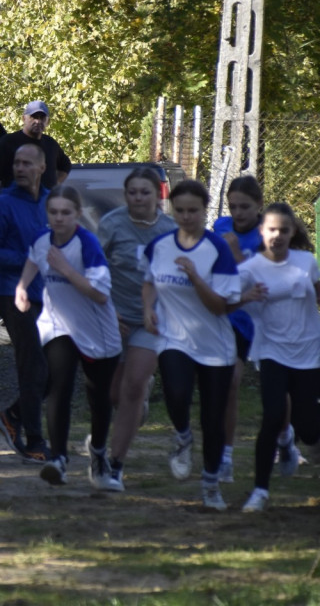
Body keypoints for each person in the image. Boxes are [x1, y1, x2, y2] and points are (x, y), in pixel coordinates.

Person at [142, 180, 240, 510]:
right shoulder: (159, 246)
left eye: (193, 211)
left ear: (204, 211)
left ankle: (211, 484)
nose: (185, 217)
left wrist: (196, 276)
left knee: (212, 421)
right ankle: (182, 436)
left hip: (214, 345)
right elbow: (149, 282)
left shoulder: (217, 249)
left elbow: (220, 306)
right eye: (179, 210)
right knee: (176, 394)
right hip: (174, 338)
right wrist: (147, 309)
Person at [15, 186, 122, 489]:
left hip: (96, 330)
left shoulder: (86, 244)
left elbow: (100, 295)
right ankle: (58, 459)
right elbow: (33, 260)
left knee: (98, 399)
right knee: (59, 386)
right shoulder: (41, 239)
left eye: (66, 213)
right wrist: (23, 286)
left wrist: (65, 269)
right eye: (54, 212)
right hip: (58, 324)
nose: (59, 218)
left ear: (77, 215)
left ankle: (99, 455)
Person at [236, 203, 320, 512]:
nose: (278, 235)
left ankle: (294, 440)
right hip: (272, 350)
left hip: (308, 352)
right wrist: (246, 297)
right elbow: (225, 299)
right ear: (262, 231)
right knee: (272, 416)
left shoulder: (306, 262)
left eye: (284, 230)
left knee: (309, 428)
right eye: (272, 229)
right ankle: (260, 490)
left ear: (293, 232)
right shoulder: (251, 268)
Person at [99, 167, 177, 491]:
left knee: (132, 387)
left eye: (145, 192)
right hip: (114, 316)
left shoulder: (170, 230)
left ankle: (116, 464)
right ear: (125, 194)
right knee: (115, 394)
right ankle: (136, 405)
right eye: (132, 192)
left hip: (151, 319)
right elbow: (96, 269)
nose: (138, 198)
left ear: (157, 194)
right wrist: (108, 310)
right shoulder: (111, 224)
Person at [0, 143, 51, 463]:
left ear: (41, 167)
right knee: (32, 365)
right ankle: (35, 440)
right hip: (13, 294)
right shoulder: (3, 205)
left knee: (53, 367)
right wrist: (29, 258)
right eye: (16, 163)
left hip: (50, 295)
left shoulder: (52, 202)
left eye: (27, 164)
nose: (20, 168)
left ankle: (12, 415)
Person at [213, 175, 263, 483]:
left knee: (277, 390)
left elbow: (261, 280)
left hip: (263, 320)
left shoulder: (268, 234)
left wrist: (236, 256)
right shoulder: (220, 228)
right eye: (233, 207)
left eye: (245, 207)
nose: (238, 213)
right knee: (229, 384)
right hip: (231, 319)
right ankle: (225, 458)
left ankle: (285, 437)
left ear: (258, 205)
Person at [0, 100, 71, 210]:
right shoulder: (8, 142)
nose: (38, 121)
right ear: (24, 118)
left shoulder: (50, 144)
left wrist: (54, 184)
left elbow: (65, 165)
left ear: (48, 121)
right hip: (14, 207)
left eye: (42, 117)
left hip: (43, 209)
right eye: (33, 117)